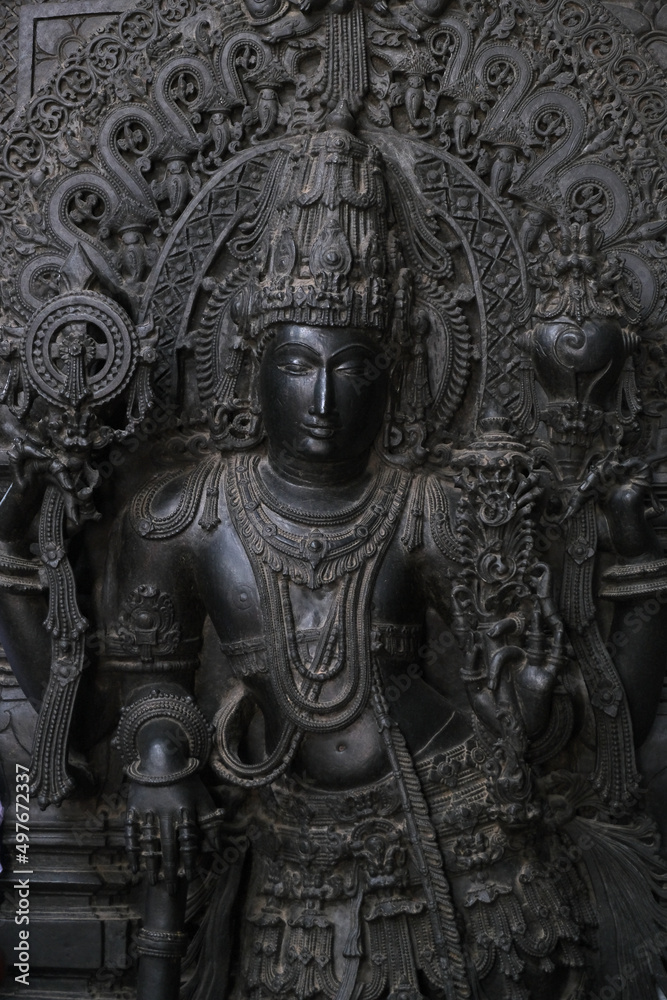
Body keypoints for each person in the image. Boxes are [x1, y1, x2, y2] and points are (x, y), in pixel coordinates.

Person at [1, 125, 667, 1000]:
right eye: (297, 364)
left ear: (394, 379)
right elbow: (145, 683)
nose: (321, 398)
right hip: (289, 834)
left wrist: (529, 703)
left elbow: (523, 687)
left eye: (352, 369)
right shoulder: (181, 516)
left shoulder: (430, 506)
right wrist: (160, 757)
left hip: (456, 813)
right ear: (250, 367)